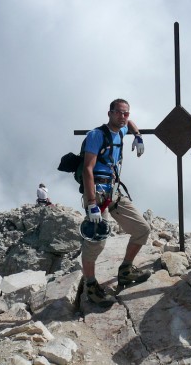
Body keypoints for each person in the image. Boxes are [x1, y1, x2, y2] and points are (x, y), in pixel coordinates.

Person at [81, 98, 151, 307]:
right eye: (119, 113)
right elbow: (87, 169)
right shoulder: (96, 135)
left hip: (113, 191)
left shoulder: (121, 129)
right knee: (96, 241)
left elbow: (128, 124)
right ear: (109, 113)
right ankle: (91, 285)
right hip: (98, 194)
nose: (123, 117)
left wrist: (137, 135)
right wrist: (92, 203)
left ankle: (126, 271)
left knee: (142, 229)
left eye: (126, 113)